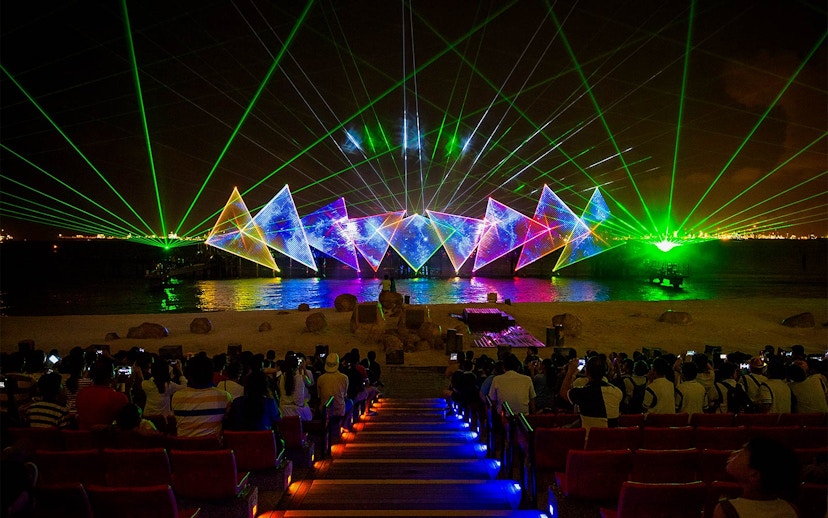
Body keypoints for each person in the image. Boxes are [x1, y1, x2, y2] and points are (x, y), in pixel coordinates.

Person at [713, 436, 800, 518]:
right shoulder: (792, 509)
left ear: (754, 475)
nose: (733, 452)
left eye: (740, 453)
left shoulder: (725, 511)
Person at [171, 354, 232, 437]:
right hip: (213, 447)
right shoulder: (224, 396)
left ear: (189, 376)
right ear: (211, 375)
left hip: (185, 447)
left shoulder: (176, 396)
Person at [560, 356, 622, 432]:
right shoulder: (617, 392)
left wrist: (570, 371)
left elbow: (563, 393)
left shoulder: (583, 393)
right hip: (614, 440)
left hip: (590, 441)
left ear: (587, 372)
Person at [76, 359, 129, 430]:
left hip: (82, 439)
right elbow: (126, 426)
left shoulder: (81, 393)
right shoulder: (119, 397)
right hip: (107, 439)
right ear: (111, 375)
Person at [316, 353, 351, 426]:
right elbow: (344, 395)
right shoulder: (344, 378)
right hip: (339, 409)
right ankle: (345, 426)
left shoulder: (320, 378)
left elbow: (319, 396)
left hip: (325, 410)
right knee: (350, 402)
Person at [277, 355, 313, 421]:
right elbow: (310, 383)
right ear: (296, 365)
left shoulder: (282, 377)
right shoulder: (300, 377)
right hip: (297, 412)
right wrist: (304, 369)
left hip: (283, 411)